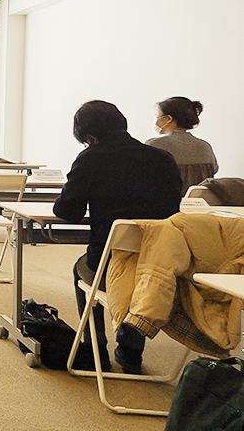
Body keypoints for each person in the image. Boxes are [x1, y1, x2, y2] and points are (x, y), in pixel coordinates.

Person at [53, 100, 181, 374]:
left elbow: (68, 212)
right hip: (159, 263)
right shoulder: (162, 158)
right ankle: (130, 350)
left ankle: (96, 347)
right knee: (136, 271)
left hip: (108, 260)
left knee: (82, 270)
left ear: (90, 137)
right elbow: (173, 213)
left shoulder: (91, 157)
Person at [146, 96, 218, 195]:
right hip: (201, 206)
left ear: (168, 119)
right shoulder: (205, 147)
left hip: (167, 207)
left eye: (156, 115)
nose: (155, 120)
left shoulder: (155, 145)